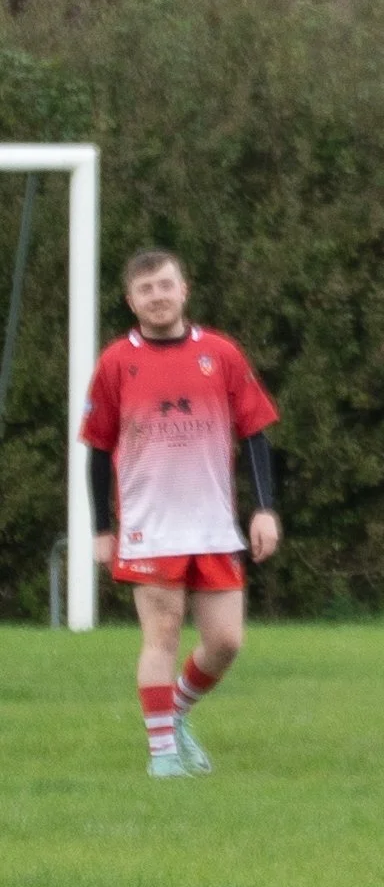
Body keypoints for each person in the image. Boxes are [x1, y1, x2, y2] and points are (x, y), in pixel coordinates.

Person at [79, 250, 281, 777]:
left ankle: (177, 713)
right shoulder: (116, 362)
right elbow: (97, 450)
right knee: (161, 637)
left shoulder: (221, 354)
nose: (158, 296)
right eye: (146, 290)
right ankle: (163, 757)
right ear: (131, 301)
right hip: (149, 528)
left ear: (184, 289)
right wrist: (103, 529)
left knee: (226, 641)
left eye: (165, 285)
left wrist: (265, 509)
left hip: (214, 525)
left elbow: (255, 434)